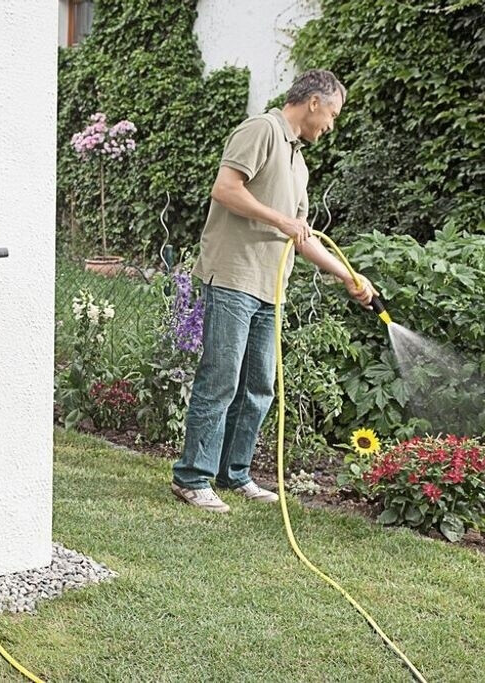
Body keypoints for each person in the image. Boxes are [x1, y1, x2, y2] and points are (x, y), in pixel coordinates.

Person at [171, 69, 376, 513]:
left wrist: (347, 275)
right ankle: (192, 477)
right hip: (233, 276)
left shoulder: (299, 162)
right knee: (221, 378)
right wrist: (279, 219)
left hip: (270, 286)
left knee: (259, 385)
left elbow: (302, 237)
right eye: (333, 114)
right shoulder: (262, 129)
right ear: (314, 102)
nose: (332, 125)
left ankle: (234, 473)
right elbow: (225, 189)